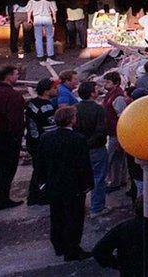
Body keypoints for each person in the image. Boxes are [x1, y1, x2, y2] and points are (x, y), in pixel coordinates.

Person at [38, 106, 93, 260]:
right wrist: (87, 184)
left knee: (56, 216)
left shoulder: (46, 138)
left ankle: (59, 245)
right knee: (74, 218)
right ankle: (72, 249)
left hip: (53, 185)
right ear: (71, 120)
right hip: (73, 186)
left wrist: (42, 183)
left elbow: (40, 163)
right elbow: (83, 165)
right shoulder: (78, 139)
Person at [0, 65, 25, 210]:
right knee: (7, 169)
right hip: (6, 137)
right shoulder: (13, 96)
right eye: (16, 74)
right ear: (8, 76)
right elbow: (16, 121)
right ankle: (2, 199)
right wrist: (17, 138)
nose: (18, 77)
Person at [74, 81, 108, 215]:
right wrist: (90, 142)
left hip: (80, 149)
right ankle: (97, 207)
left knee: (80, 177)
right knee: (98, 178)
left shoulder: (75, 108)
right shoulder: (98, 109)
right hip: (96, 149)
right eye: (95, 89)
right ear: (92, 93)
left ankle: (80, 206)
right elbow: (101, 130)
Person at [25, 78, 58, 205]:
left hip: (32, 141)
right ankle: (40, 196)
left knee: (37, 170)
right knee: (44, 171)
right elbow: (51, 128)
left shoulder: (32, 103)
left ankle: (33, 195)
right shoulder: (47, 107)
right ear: (46, 91)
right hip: (43, 144)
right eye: (54, 88)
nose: (56, 90)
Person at [101, 72, 128, 191]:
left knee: (114, 158)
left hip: (116, 134)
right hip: (112, 132)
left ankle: (115, 182)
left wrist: (119, 136)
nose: (105, 84)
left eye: (108, 82)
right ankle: (120, 179)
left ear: (116, 83)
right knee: (117, 158)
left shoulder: (118, 97)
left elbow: (121, 118)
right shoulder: (110, 94)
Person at [28, 0, 61, 64]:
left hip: (37, 18)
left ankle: (40, 56)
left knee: (38, 38)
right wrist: (54, 17)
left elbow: (29, 10)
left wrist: (29, 18)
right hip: (47, 17)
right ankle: (50, 55)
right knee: (49, 37)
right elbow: (53, 9)